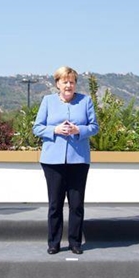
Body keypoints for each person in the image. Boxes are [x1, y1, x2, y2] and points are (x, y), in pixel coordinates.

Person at [33, 66, 99, 255]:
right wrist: (54, 130)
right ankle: (54, 242)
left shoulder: (85, 101)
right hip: (52, 161)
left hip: (79, 160)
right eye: (65, 81)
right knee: (55, 204)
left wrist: (80, 130)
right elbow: (37, 128)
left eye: (72, 81)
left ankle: (75, 242)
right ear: (58, 84)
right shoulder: (47, 101)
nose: (68, 85)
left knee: (76, 204)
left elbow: (94, 127)